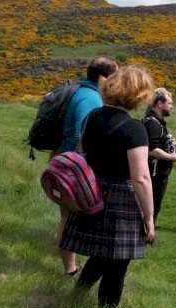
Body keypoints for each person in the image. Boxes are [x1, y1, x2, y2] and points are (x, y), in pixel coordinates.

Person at [59, 65, 155, 308]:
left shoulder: (94, 117)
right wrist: (149, 217)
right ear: (138, 94)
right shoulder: (135, 129)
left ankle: (77, 294)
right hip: (120, 199)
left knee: (102, 254)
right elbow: (142, 178)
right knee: (117, 264)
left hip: (92, 191)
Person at [54, 57, 118, 277]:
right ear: (102, 78)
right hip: (75, 166)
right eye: (114, 77)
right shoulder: (90, 98)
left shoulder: (83, 92)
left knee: (68, 216)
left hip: (67, 160)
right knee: (69, 217)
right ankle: (70, 269)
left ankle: (72, 264)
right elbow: (86, 135)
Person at [142, 88, 176, 228]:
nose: (171, 106)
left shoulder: (154, 122)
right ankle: (147, 234)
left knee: (151, 205)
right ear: (159, 104)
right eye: (169, 103)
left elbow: (155, 143)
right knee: (152, 204)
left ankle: (147, 230)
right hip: (155, 174)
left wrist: (168, 142)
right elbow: (151, 150)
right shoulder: (153, 123)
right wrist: (172, 157)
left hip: (154, 172)